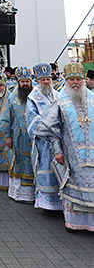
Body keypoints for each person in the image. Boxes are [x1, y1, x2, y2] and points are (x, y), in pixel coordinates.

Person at [37, 62, 94, 232]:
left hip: (92, 152)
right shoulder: (61, 101)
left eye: (78, 79)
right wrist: (57, 150)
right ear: (66, 80)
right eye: (71, 79)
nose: (75, 82)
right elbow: (48, 127)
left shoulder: (92, 98)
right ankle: (75, 223)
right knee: (74, 182)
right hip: (72, 154)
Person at [26, 62, 62, 212]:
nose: (46, 82)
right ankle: (47, 204)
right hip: (43, 142)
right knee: (45, 168)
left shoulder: (59, 95)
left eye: (48, 79)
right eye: (43, 80)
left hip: (59, 141)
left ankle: (60, 203)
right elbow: (32, 121)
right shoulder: (32, 97)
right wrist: (50, 131)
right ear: (37, 79)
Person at [0, 65, 35, 203]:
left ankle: (35, 194)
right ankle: (20, 194)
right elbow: (5, 118)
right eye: (22, 82)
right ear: (18, 82)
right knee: (19, 162)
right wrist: (7, 137)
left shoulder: (36, 95)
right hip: (19, 139)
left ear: (31, 82)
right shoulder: (13, 97)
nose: (25, 84)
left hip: (35, 139)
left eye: (27, 81)